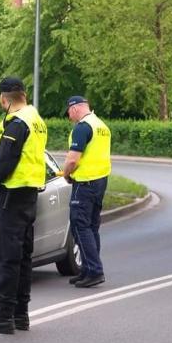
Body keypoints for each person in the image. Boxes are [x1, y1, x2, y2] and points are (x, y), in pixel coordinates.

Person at [0, 77, 48, 334]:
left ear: (5, 99)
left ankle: (3, 315)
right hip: (28, 194)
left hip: (10, 196)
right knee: (22, 256)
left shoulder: (17, 123)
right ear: (24, 95)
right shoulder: (36, 119)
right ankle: (19, 314)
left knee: (5, 256)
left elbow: (5, 160)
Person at [61, 96, 111, 288]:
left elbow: (73, 160)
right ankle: (88, 270)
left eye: (69, 112)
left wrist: (66, 174)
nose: (69, 116)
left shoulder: (82, 127)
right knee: (91, 227)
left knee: (79, 226)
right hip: (100, 182)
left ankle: (95, 270)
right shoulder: (101, 126)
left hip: (84, 183)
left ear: (75, 108)